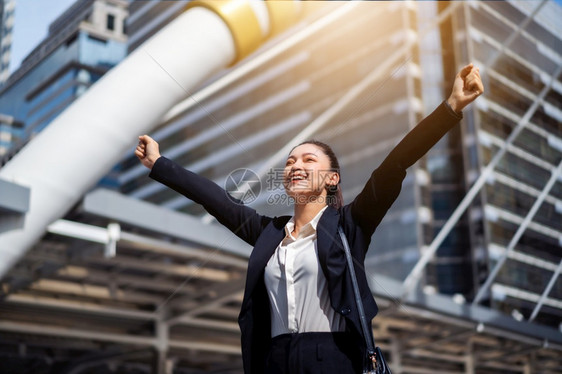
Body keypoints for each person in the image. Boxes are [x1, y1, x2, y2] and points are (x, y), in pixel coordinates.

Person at [136, 63, 483, 374]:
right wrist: (159, 164)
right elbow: (216, 200)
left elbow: (394, 165)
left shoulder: (350, 225)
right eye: (290, 162)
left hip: (333, 358)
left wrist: (450, 108)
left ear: (332, 178)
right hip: (273, 359)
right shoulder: (268, 233)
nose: (296, 166)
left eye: (309, 160)